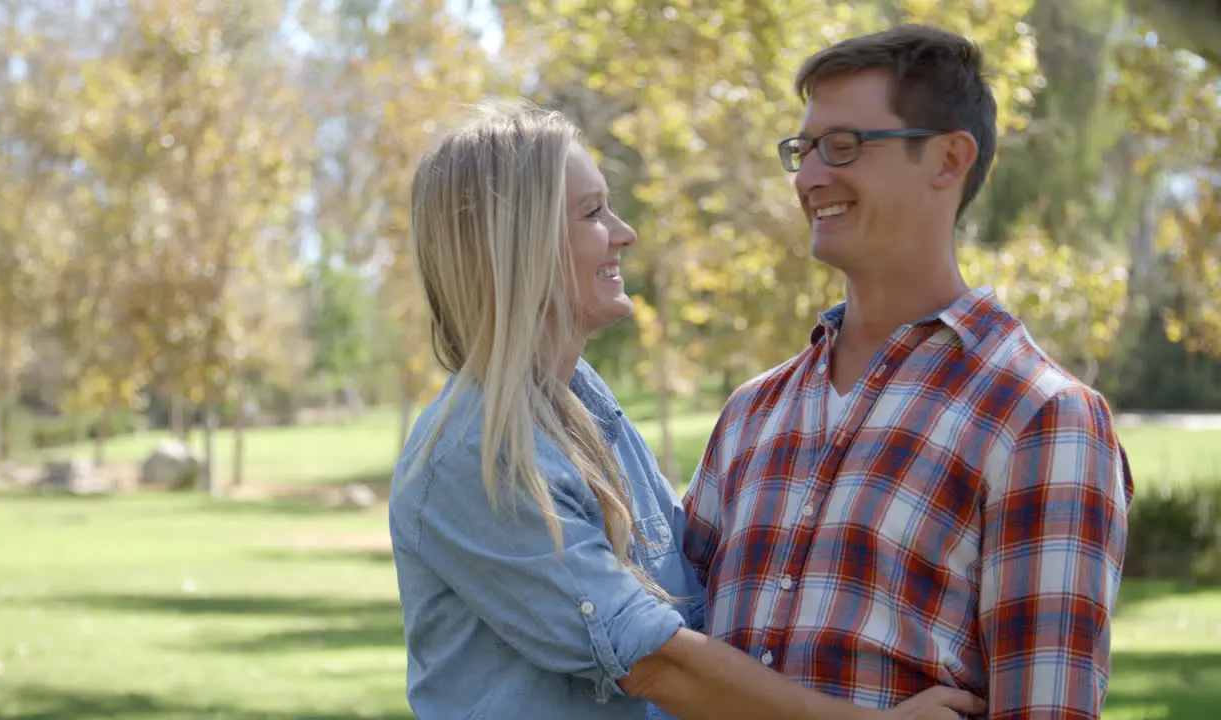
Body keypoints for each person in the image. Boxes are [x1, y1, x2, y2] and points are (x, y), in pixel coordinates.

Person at [387, 103, 986, 720]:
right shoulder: (476, 451)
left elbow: (691, 587)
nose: (625, 232)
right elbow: (653, 660)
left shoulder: (582, 404)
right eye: (592, 213)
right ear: (517, 245)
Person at [682, 24, 1135, 719]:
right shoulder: (751, 414)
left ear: (949, 159)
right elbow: (672, 664)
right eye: (802, 150)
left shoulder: (1042, 419)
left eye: (843, 146)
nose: (808, 177)